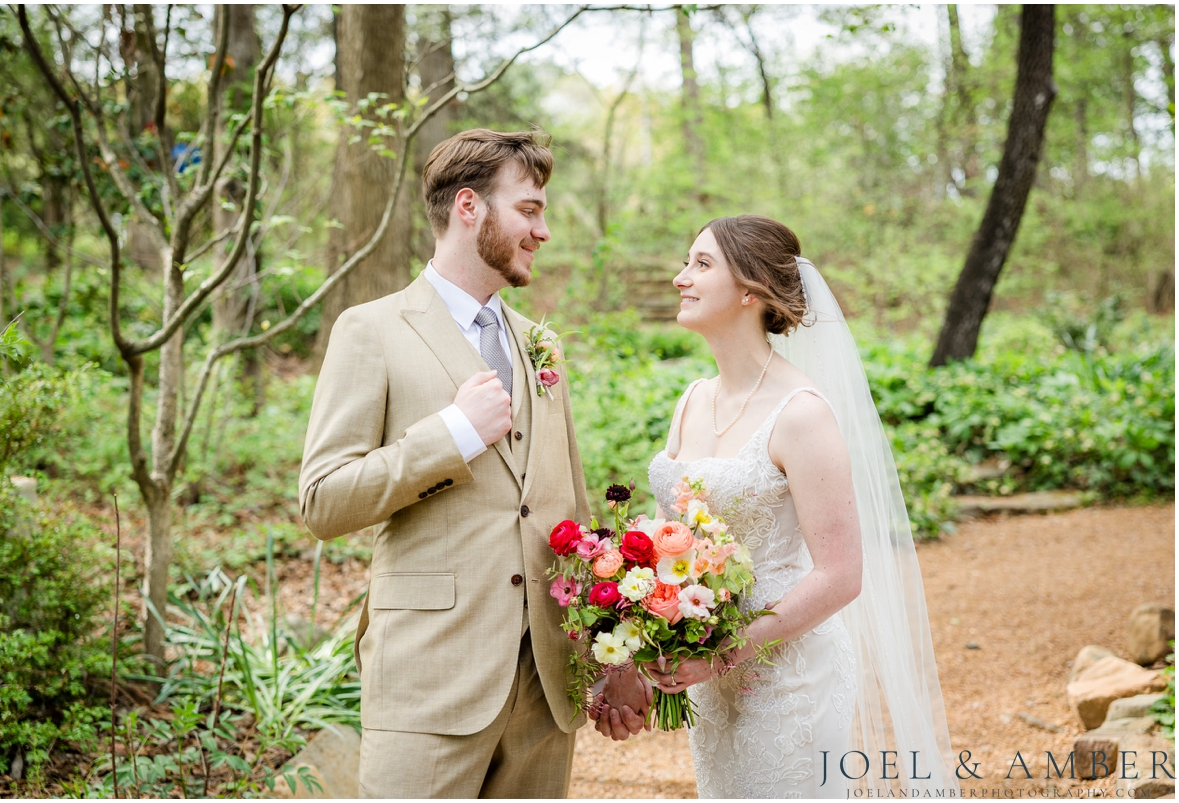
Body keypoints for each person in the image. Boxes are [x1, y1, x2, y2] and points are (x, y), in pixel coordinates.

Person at [298, 128, 650, 798]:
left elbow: (569, 511)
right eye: (529, 209)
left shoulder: (541, 345)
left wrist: (609, 653)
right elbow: (322, 501)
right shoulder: (371, 330)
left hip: (544, 688)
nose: (543, 230)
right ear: (469, 207)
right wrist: (453, 434)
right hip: (430, 680)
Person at [595, 214, 958, 798]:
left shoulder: (802, 413)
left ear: (751, 290)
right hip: (709, 681)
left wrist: (724, 653)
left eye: (701, 264)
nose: (680, 278)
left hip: (789, 678)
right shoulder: (692, 400)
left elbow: (841, 574)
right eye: (687, 262)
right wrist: (639, 649)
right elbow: (664, 545)